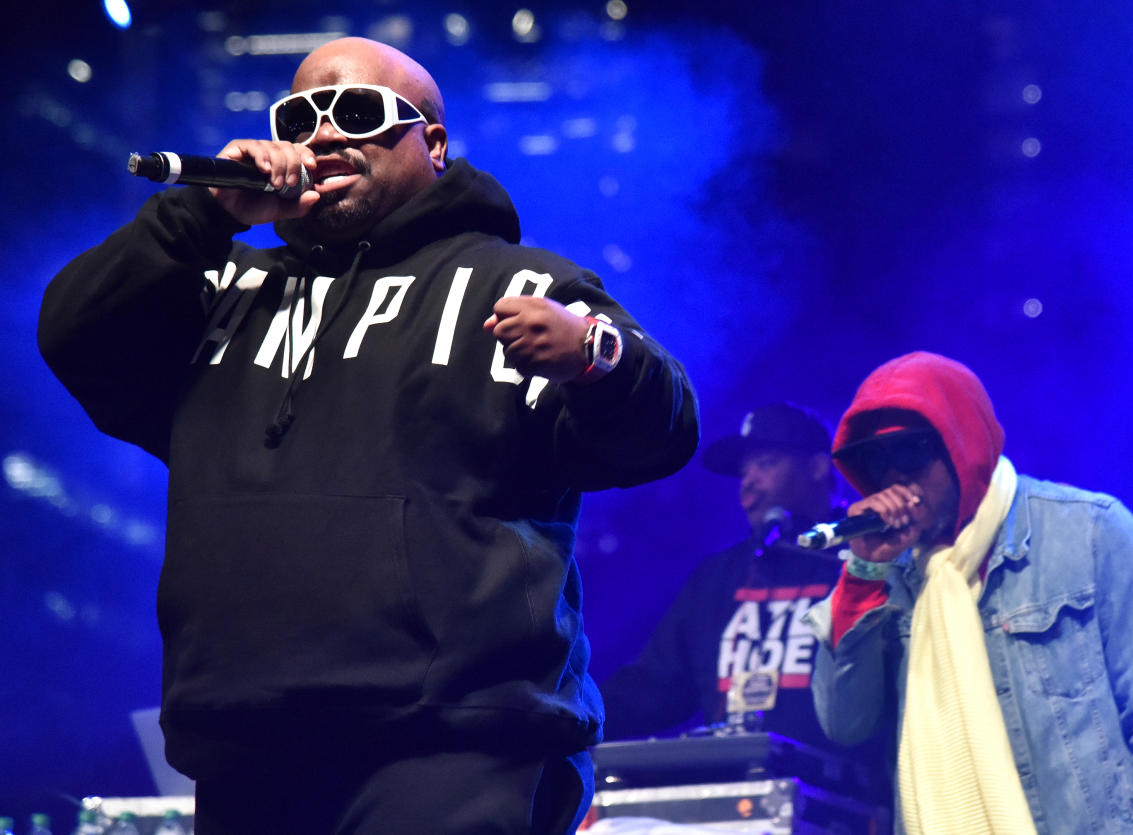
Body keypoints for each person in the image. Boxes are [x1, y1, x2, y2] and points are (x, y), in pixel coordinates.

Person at [37, 36, 699, 835]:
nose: (323, 134)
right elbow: (74, 336)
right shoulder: (225, 290)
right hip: (246, 742)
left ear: (434, 143)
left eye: (357, 112)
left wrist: (598, 357)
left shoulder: (518, 282)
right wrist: (198, 213)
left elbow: (663, 433)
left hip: (454, 743)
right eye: (300, 116)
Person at [804, 351, 1133, 835]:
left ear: (963, 443)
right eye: (874, 460)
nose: (894, 477)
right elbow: (843, 724)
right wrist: (863, 572)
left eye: (910, 452)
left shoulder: (1090, 531)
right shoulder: (885, 576)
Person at [600, 401, 851, 748]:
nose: (748, 483)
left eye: (766, 463)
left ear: (818, 467)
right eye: (745, 472)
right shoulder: (718, 577)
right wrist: (569, 717)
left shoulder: (863, 561)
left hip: (843, 794)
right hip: (731, 787)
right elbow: (654, 688)